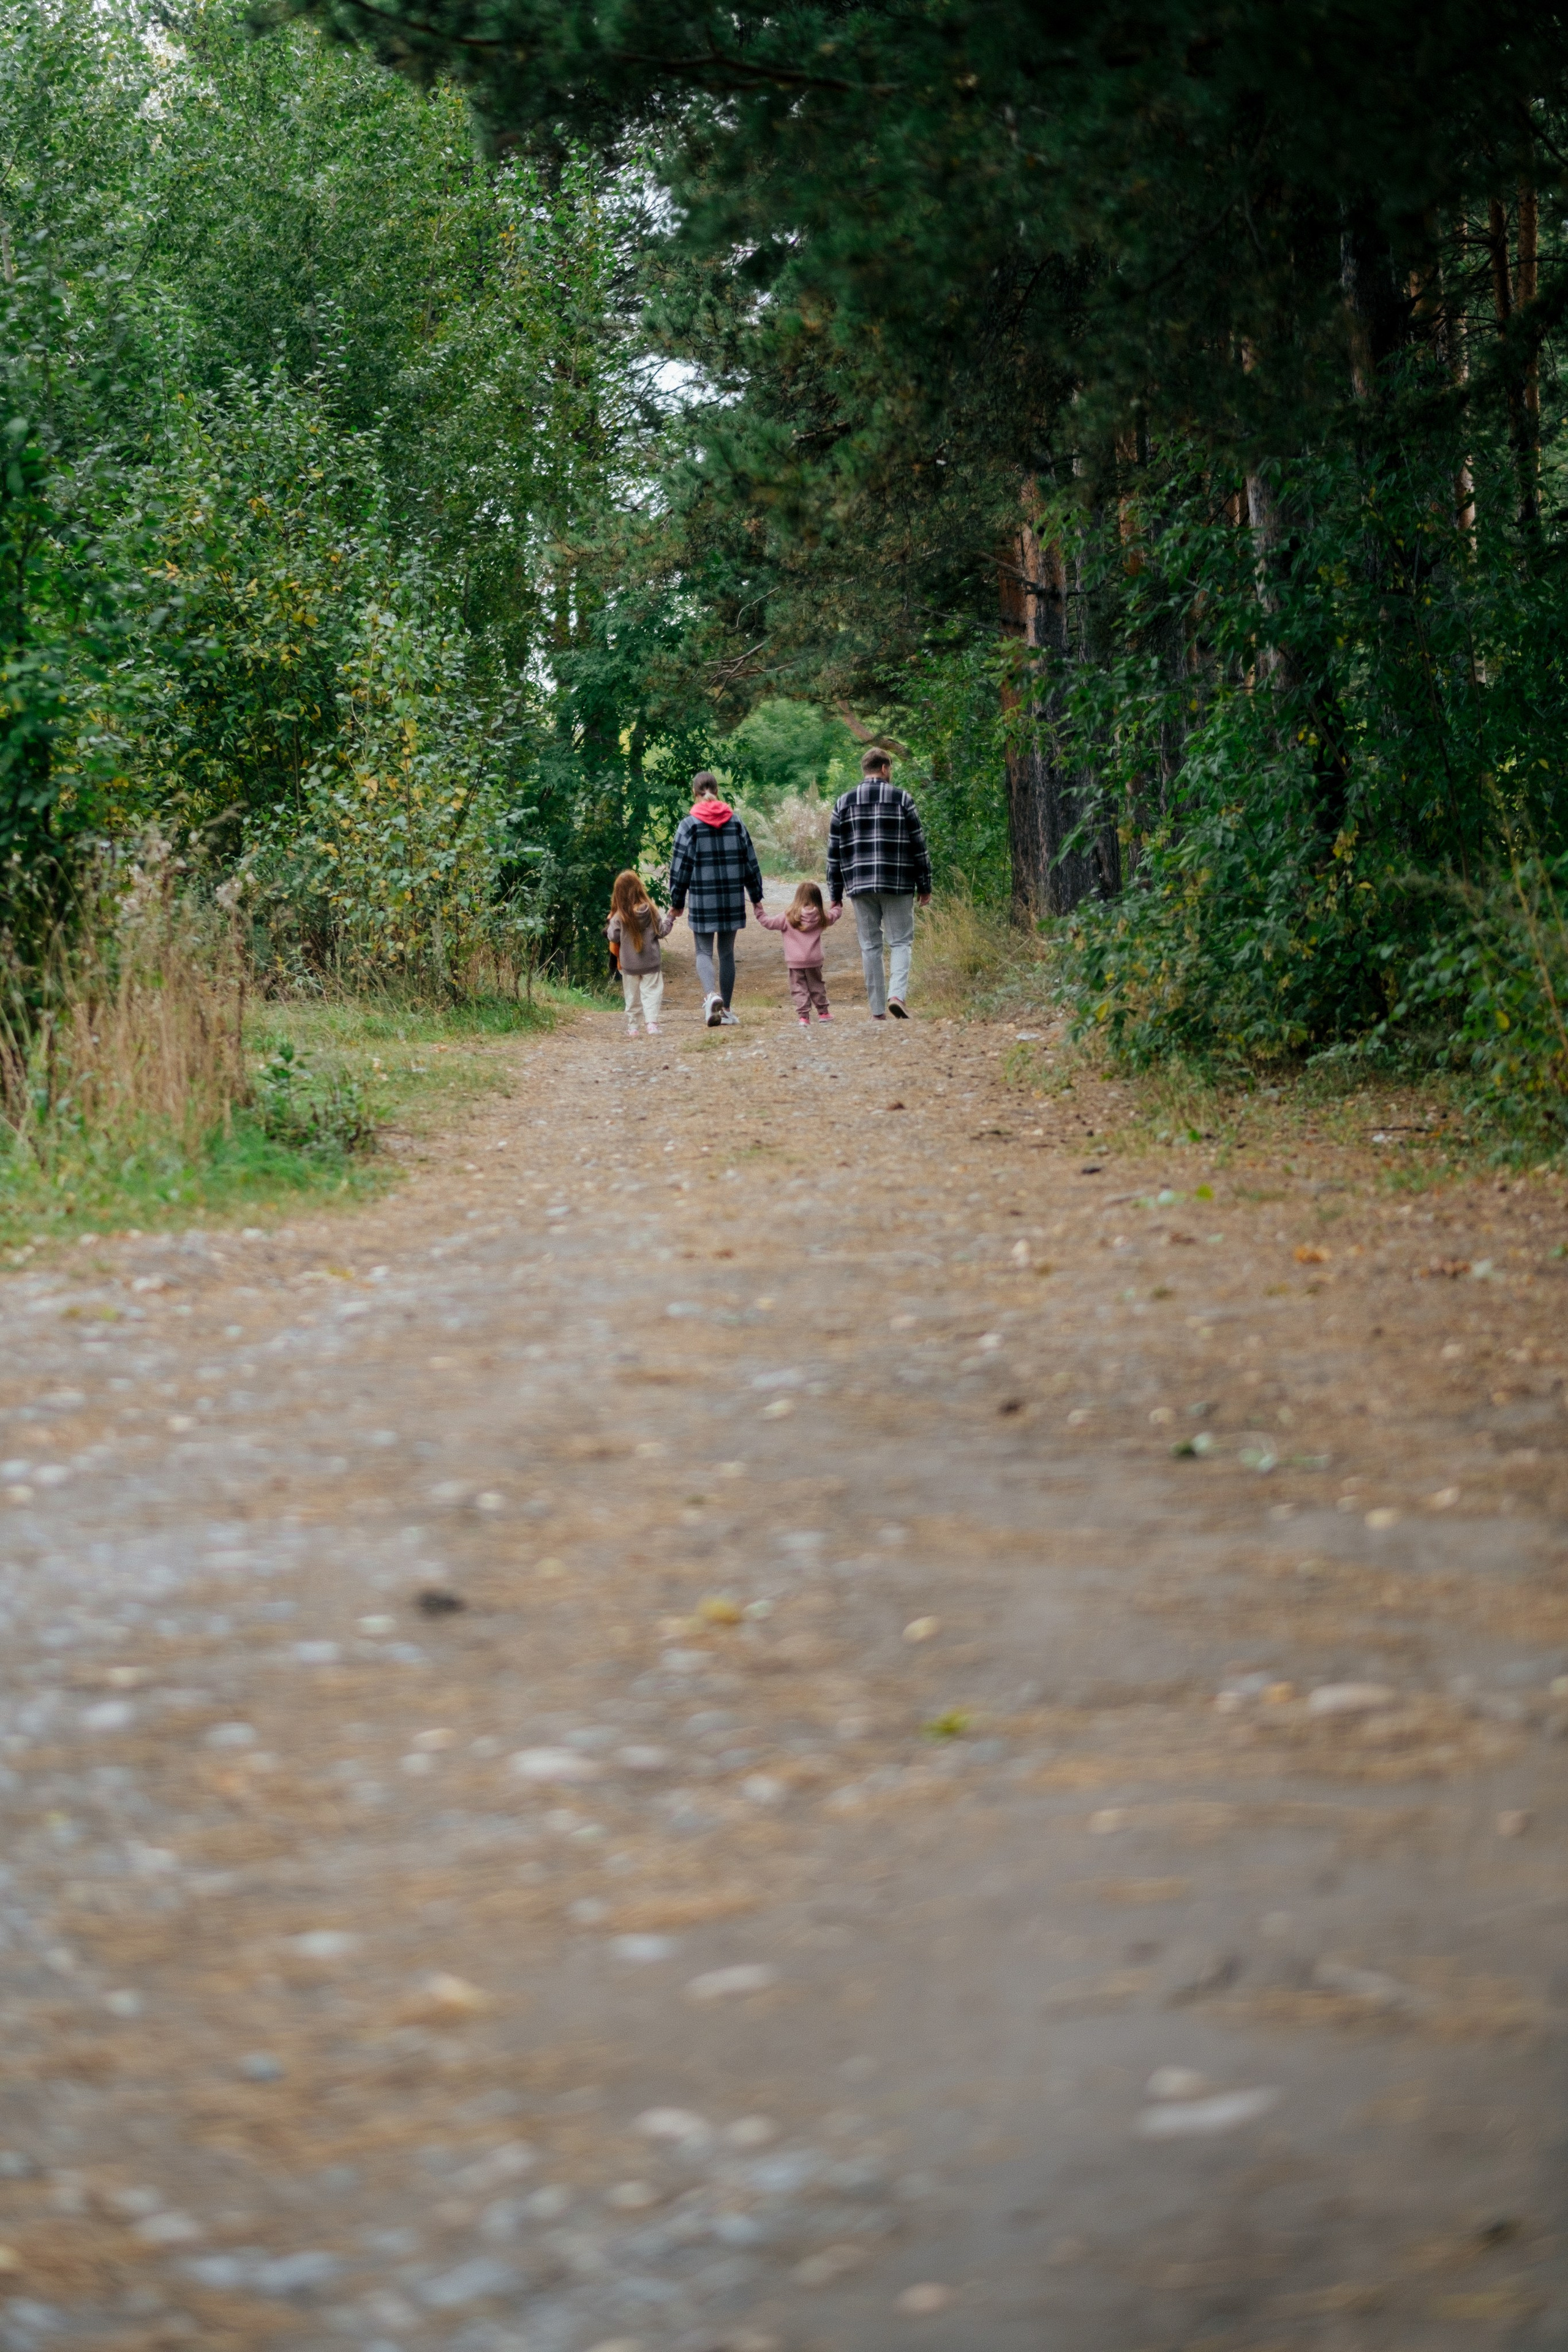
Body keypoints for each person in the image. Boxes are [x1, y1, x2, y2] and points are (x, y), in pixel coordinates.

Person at [827, 745, 932, 1020]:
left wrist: (835, 892)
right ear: (885, 768)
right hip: (897, 881)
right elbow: (918, 845)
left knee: (870, 946)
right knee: (900, 942)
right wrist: (925, 885)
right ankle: (896, 995)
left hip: (860, 885)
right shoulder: (902, 799)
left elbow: (834, 852)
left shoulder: (843, 802)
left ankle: (876, 1012)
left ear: (866, 770)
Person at [668, 772, 764, 1027]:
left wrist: (677, 902)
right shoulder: (736, 822)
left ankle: (711, 996)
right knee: (727, 953)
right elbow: (750, 863)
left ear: (695, 793)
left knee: (703, 951)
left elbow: (681, 868)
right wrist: (756, 897)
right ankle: (727, 1011)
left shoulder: (689, 825)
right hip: (732, 898)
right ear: (717, 791)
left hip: (703, 898)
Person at [755, 880, 842, 1025]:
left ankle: (804, 1017)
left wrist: (758, 909)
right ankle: (823, 1013)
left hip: (795, 961)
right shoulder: (821, 916)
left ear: (798, 897)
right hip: (814, 960)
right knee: (817, 985)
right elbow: (835, 914)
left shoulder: (788, 916)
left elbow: (768, 923)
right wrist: (837, 903)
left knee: (798, 988)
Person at [607, 869, 674, 1036]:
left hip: (629, 964)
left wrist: (610, 925)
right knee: (652, 993)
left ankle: (633, 1028)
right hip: (651, 962)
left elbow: (614, 937)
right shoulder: (650, 910)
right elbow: (662, 931)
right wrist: (670, 918)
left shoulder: (619, 916)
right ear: (639, 888)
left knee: (632, 997)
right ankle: (651, 1024)